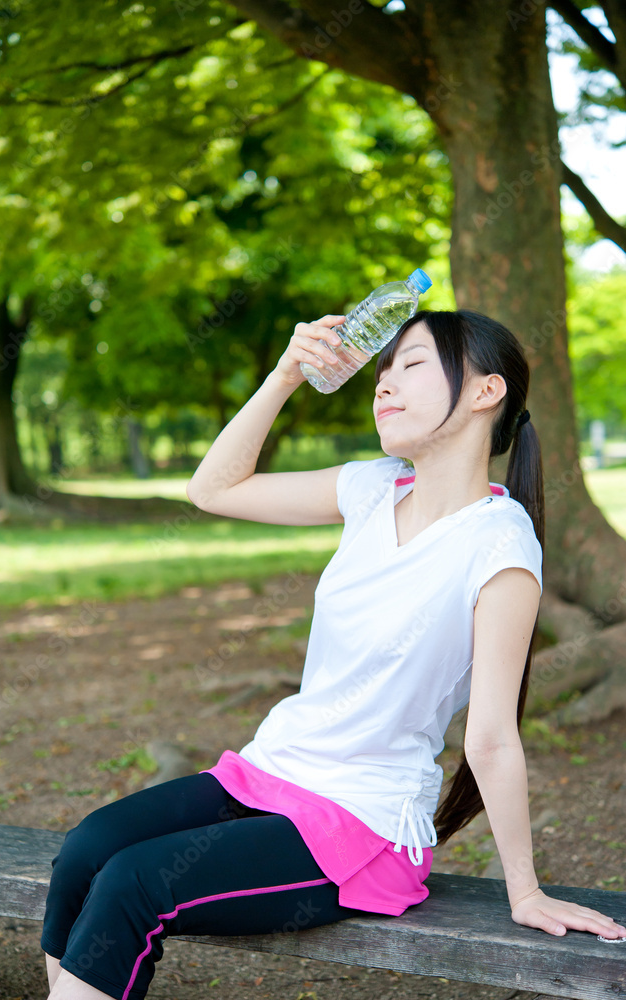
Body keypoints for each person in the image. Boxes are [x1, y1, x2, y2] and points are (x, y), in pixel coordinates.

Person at [41, 309, 626, 1000]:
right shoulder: (370, 487)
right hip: (267, 774)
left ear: (483, 393)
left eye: (411, 365)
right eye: (382, 370)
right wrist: (287, 373)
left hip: (361, 827)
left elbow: (492, 736)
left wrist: (523, 890)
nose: (384, 384)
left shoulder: (498, 545)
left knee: (132, 883)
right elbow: (212, 489)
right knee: (85, 850)